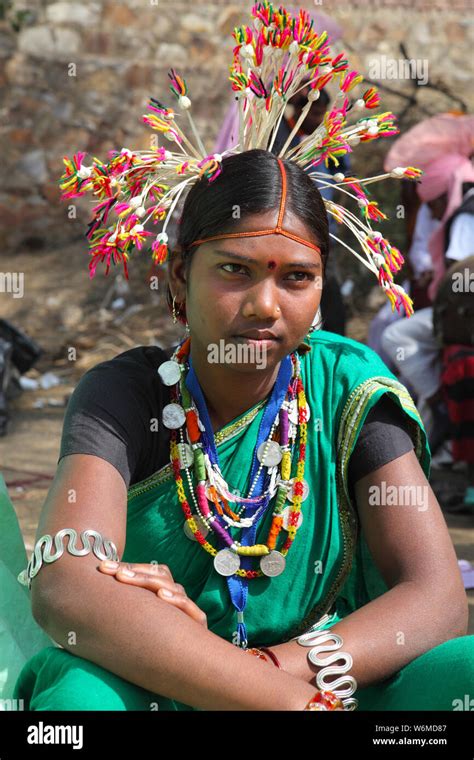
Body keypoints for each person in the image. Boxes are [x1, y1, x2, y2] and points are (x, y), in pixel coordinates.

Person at [5, 2, 473, 712]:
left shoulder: (348, 388)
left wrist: (276, 670)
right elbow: (67, 582)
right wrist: (275, 704)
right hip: (168, 684)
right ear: (175, 280)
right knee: (76, 701)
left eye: (296, 278)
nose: (264, 304)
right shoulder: (123, 395)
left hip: (322, 679)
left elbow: (436, 598)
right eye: (234, 271)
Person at [381, 152, 474, 452]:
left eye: (434, 204)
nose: (433, 214)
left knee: (394, 335)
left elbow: (461, 281)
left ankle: (439, 407)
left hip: (463, 316)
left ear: (446, 194)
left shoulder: (465, 217)